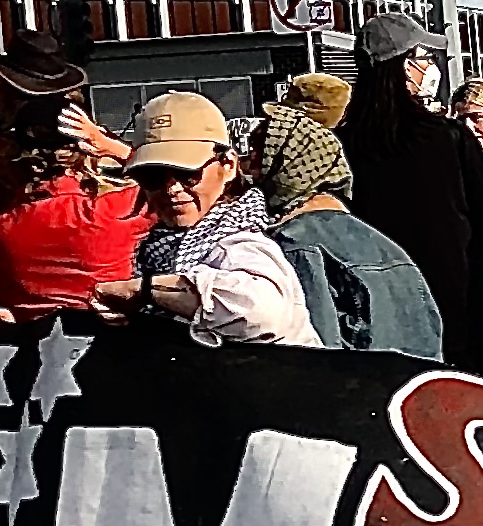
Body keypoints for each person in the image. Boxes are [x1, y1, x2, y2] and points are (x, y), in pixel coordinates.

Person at [344, 12, 483, 371]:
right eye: (423, 58)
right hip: (462, 311)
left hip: (381, 313)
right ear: (405, 67)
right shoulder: (447, 138)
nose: (429, 67)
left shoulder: (346, 144)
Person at [97, 95, 319, 347]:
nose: (172, 189)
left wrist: (145, 290)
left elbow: (260, 313)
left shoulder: (238, 242)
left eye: (187, 173)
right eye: (152, 176)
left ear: (228, 165)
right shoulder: (158, 249)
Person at [0, 52, 147, 324]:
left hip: (34, 343)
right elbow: (172, 184)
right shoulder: (121, 209)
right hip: (110, 338)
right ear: (86, 153)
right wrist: (113, 147)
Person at [251, 92, 441, 357]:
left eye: (258, 154)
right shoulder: (388, 248)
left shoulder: (295, 245)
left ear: (287, 166)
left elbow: (313, 359)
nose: (248, 166)